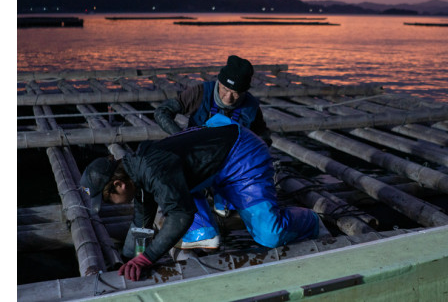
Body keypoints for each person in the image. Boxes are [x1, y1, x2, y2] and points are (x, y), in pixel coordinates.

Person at [80, 114, 319, 281]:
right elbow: (141, 226)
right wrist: (127, 260)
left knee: (270, 235)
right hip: (211, 163)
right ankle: (207, 231)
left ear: (119, 185)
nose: (110, 204)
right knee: (175, 198)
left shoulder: (153, 171)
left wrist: (148, 258)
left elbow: (181, 216)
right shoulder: (138, 177)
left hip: (242, 154)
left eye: (108, 199)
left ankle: (309, 220)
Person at [154, 55, 271, 248]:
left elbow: (263, 138)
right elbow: (161, 112)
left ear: (244, 91)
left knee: (234, 207)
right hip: (198, 159)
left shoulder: (251, 107)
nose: (228, 97)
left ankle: (222, 196)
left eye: (235, 93)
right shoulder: (200, 92)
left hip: (230, 165)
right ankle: (203, 228)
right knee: (176, 181)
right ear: (218, 82)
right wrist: (182, 138)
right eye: (225, 89)